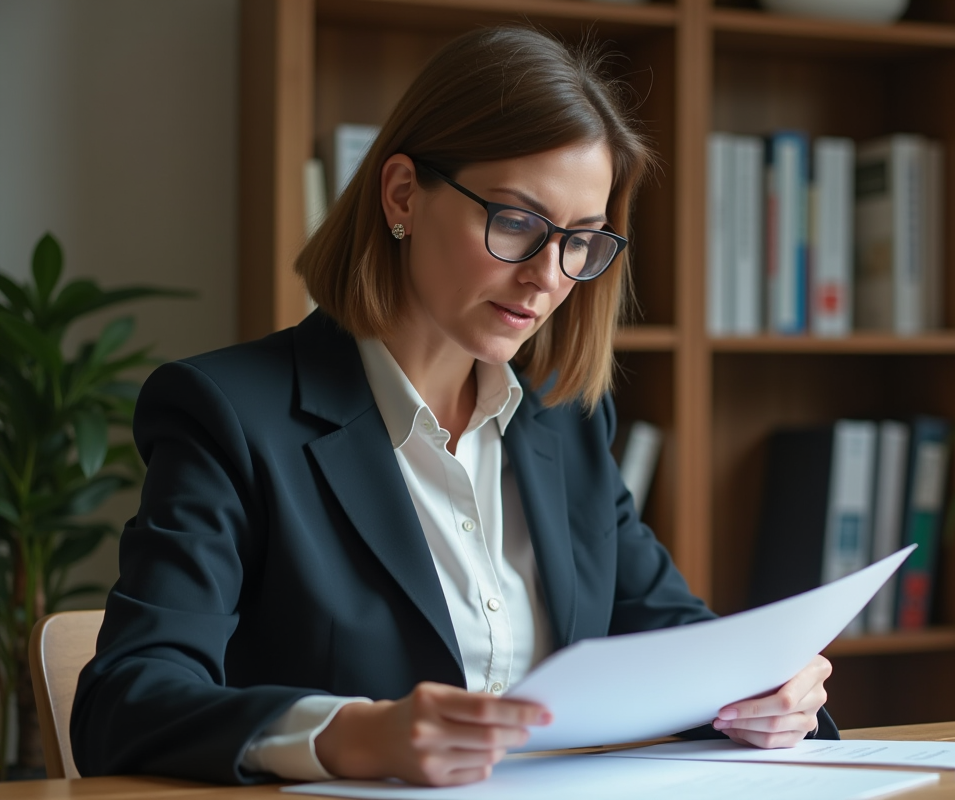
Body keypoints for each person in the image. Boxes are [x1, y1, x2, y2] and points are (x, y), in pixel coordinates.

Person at [70, 26, 835, 788]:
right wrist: (350, 733)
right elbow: (126, 703)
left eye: (580, 241)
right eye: (516, 223)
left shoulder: (565, 428)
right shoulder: (231, 417)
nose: (547, 277)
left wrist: (770, 695)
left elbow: (680, 649)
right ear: (403, 193)